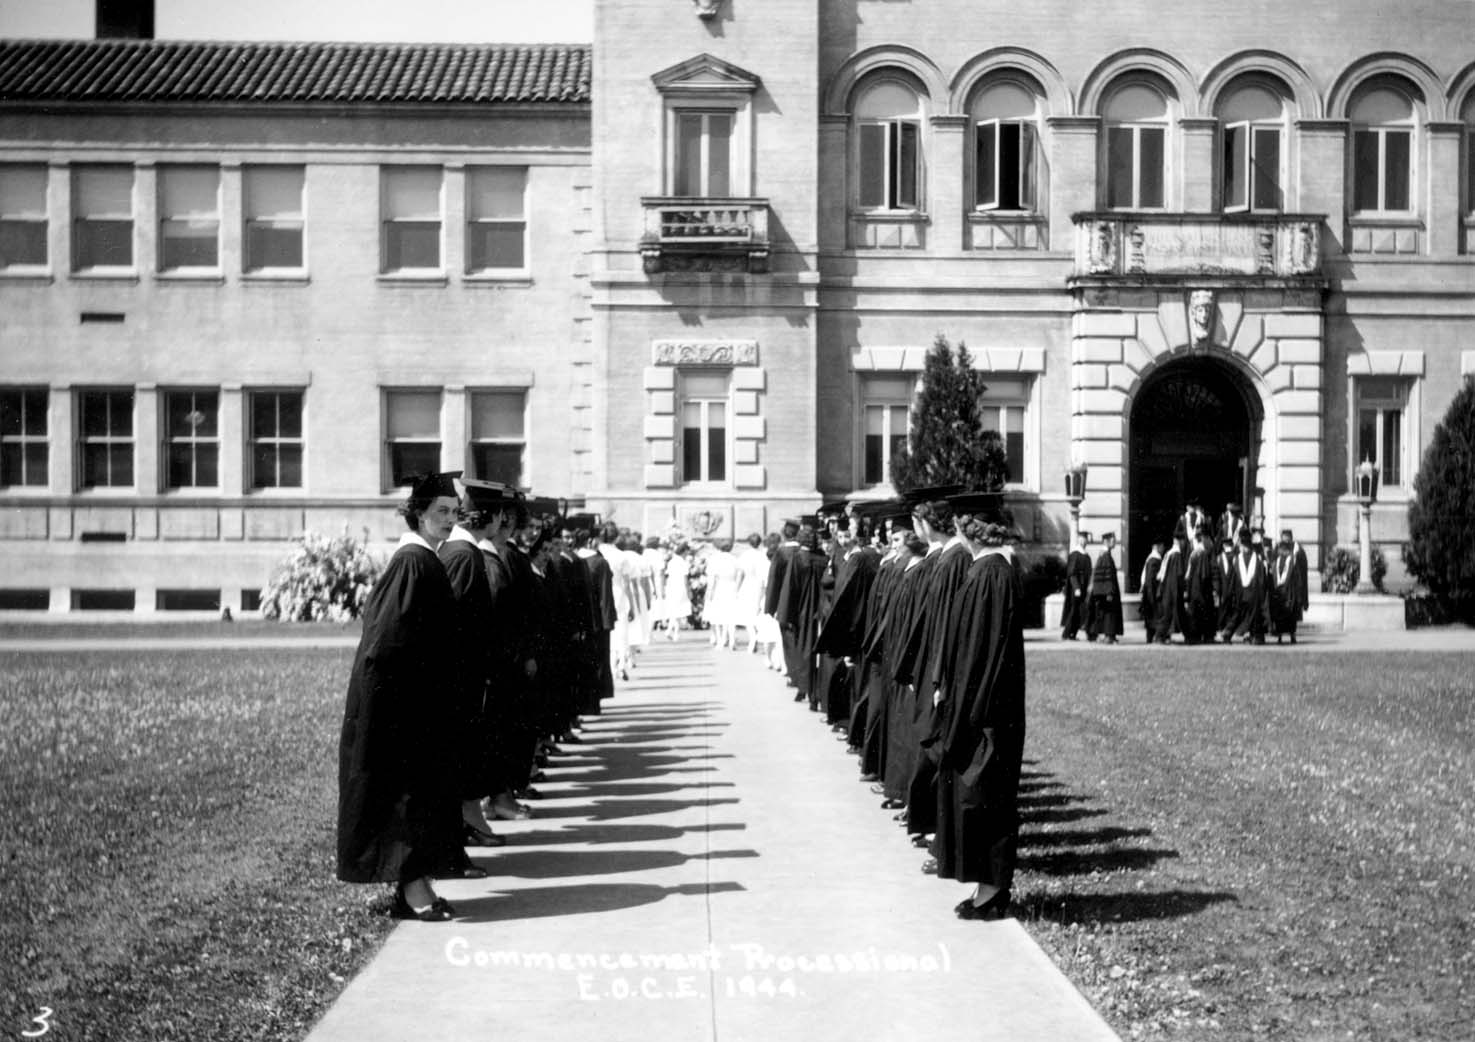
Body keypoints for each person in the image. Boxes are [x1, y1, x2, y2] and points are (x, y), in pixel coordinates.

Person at [337, 471, 464, 922]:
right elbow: (385, 645)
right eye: (440, 512)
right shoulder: (413, 562)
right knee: (406, 798)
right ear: (418, 514)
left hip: (419, 703)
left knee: (421, 797)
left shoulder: (427, 558)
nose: (449, 520)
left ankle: (415, 888)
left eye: (454, 512)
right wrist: (391, 707)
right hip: (401, 706)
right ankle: (414, 893)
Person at [933, 521, 1026, 921]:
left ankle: (992, 892)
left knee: (987, 795)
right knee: (982, 795)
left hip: (985, 711)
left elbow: (978, 653)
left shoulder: (991, 576)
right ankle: (985, 887)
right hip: (983, 706)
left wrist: (964, 708)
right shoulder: (988, 571)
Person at [775, 525, 828, 707]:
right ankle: (816, 694)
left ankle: (804, 688)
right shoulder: (823, 558)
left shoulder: (797, 559)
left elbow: (790, 588)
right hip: (821, 610)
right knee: (819, 651)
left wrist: (785, 615)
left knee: (804, 649)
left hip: (802, 612)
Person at [1220, 529, 1271, 644]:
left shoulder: (1237, 559)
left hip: (1242, 593)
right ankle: (1256, 637)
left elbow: (1232, 578)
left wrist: (1231, 592)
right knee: (1252, 616)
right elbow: (1261, 579)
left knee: (1238, 615)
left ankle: (1228, 633)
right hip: (1252, 593)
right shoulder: (1256, 558)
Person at [1271, 528, 1309, 644]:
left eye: (1285, 549)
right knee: (1280, 616)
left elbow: (1300, 574)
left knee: (1291, 616)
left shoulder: (1297, 552)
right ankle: (1280, 636)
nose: (1283, 551)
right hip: (1279, 592)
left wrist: (1300, 594)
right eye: (1282, 549)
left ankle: (1292, 635)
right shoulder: (1276, 559)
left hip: (1290, 592)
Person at [1086, 532, 1123, 644]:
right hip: (1108, 592)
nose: (1115, 542)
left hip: (1106, 591)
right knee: (1109, 614)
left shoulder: (1105, 555)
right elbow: (1107, 576)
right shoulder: (1105, 556)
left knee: (1109, 613)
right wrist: (1109, 592)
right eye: (1113, 540)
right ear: (1106, 541)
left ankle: (1111, 634)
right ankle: (1109, 636)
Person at [1151, 527, 1186, 644]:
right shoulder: (1176, 555)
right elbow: (1178, 575)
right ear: (1180, 541)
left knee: (1168, 615)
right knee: (1167, 616)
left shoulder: (1169, 553)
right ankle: (1159, 637)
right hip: (1171, 590)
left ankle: (1160, 636)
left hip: (1166, 589)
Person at [1060, 531, 1092, 640]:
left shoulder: (1086, 555)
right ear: (1078, 540)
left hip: (1084, 588)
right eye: (1082, 538)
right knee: (1074, 611)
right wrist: (1076, 587)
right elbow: (1072, 573)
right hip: (1076, 589)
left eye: (1085, 539)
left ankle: (1073, 633)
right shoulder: (1075, 554)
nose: (1084, 541)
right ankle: (1066, 634)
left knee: (1080, 612)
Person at [663, 543, 692, 636]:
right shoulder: (682, 563)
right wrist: (688, 591)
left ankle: (674, 632)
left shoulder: (672, 561)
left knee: (675, 610)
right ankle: (672, 631)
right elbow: (685, 579)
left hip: (671, 587)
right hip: (680, 587)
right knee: (677, 611)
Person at [1138, 539, 1164, 642]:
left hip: (1149, 593)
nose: (1163, 549)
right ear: (1157, 546)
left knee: (1151, 617)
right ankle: (1156, 637)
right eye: (1162, 546)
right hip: (1152, 593)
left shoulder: (1151, 559)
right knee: (1154, 616)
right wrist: (1153, 595)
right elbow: (1151, 580)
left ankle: (1150, 637)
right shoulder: (1154, 560)